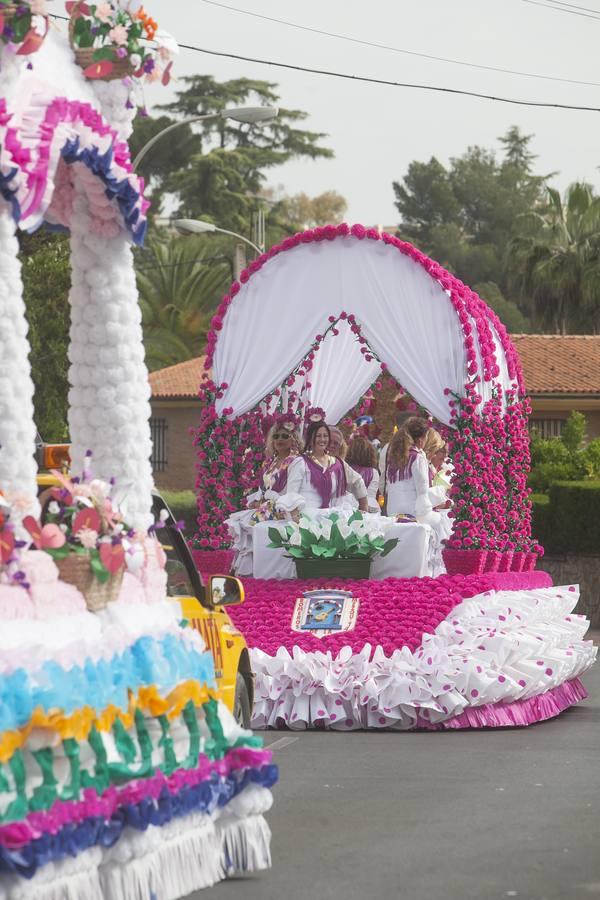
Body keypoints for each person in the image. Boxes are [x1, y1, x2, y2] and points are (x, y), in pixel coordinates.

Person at [225, 417, 302, 574]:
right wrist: (259, 500)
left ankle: (250, 571)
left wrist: (270, 499)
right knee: (238, 521)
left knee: (246, 523)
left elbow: (292, 493)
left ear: (293, 439)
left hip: (283, 507)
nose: (279, 439)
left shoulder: (296, 461)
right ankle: (245, 570)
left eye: (284, 436)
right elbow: (264, 488)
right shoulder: (270, 462)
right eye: (276, 436)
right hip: (266, 506)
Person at [276, 420, 368, 518]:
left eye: (325, 436)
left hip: (330, 520)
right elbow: (291, 495)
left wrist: (363, 508)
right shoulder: (300, 462)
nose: (322, 439)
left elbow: (358, 481)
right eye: (318, 436)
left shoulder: (337, 464)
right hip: (307, 519)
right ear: (311, 439)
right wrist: (297, 523)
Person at [378, 416, 431, 518]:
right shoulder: (417, 458)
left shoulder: (392, 456)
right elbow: (422, 489)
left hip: (392, 510)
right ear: (421, 439)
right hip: (413, 511)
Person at [345, 435, 381, 514]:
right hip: (370, 509)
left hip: (349, 508)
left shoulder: (346, 469)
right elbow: (372, 495)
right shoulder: (374, 472)